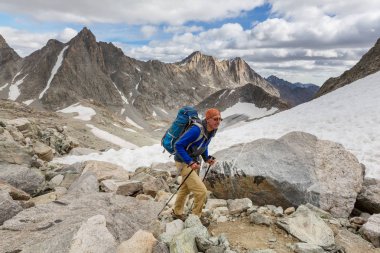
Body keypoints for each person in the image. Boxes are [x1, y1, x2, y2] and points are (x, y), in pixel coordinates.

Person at [172, 108, 222, 220]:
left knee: (185, 188)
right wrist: (189, 161)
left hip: (194, 161)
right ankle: (195, 219)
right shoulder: (196, 130)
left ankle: (177, 212)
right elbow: (178, 145)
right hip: (183, 161)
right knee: (201, 192)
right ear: (208, 119)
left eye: (220, 119)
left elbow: (204, 144)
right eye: (215, 119)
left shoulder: (212, 130)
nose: (218, 121)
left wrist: (206, 158)